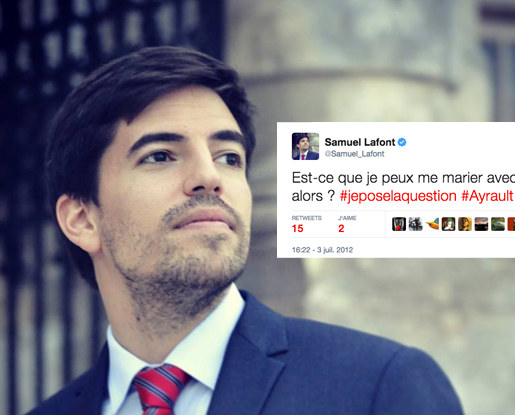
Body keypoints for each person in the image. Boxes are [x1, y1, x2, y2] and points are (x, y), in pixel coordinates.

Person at [29, 46, 463, 415]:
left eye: (229, 157)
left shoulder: (378, 387)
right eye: (160, 156)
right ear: (82, 219)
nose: (209, 176)